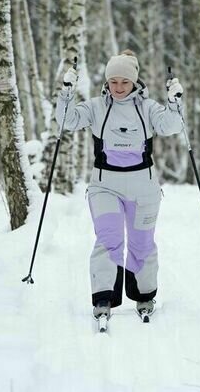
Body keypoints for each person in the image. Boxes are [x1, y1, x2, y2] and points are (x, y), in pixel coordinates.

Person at [55, 50, 184, 321]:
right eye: (113, 81)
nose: (119, 87)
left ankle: (144, 297)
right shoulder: (95, 106)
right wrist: (66, 93)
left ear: (134, 81)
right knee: (109, 239)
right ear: (107, 82)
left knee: (142, 243)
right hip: (105, 186)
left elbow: (170, 126)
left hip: (143, 187)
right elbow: (67, 121)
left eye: (124, 82)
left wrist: (174, 103)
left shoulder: (147, 108)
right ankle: (104, 298)